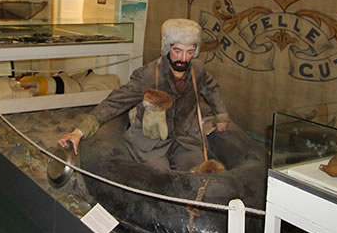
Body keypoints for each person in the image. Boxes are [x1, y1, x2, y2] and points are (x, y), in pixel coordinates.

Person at [58, 18, 232, 172]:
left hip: (186, 140)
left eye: (190, 52)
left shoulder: (198, 70)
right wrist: (80, 131)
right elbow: (116, 101)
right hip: (151, 142)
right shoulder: (147, 75)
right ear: (167, 48)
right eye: (178, 51)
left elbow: (211, 87)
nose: (184, 58)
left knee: (198, 175)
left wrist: (221, 116)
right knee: (158, 178)